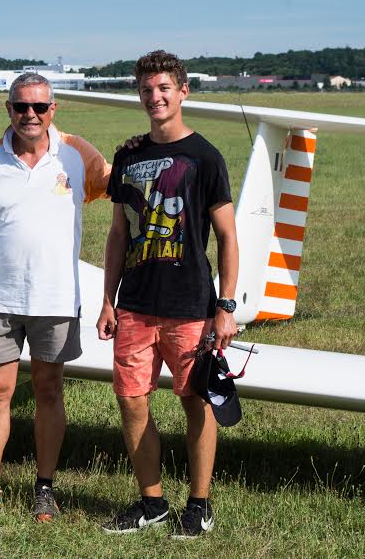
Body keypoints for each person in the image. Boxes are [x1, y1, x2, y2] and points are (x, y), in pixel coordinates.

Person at [0, 73, 111, 523]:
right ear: (9, 110)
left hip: (56, 298)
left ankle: (45, 489)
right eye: (21, 107)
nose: (30, 115)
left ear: (53, 109)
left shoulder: (76, 153)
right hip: (0, 297)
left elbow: (115, 186)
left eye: (39, 107)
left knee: (49, 390)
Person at [96, 50, 239, 538]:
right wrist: (108, 298)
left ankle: (199, 505)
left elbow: (227, 236)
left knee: (196, 403)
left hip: (189, 307)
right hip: (135, 304)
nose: (154, 98)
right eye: (145, 90)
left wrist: (226, 305)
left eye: (163, 89)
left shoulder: (205, 157)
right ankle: (151, 501)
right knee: (132, 401)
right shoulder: (128, 155)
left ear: (183, 91)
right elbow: (119, 233)